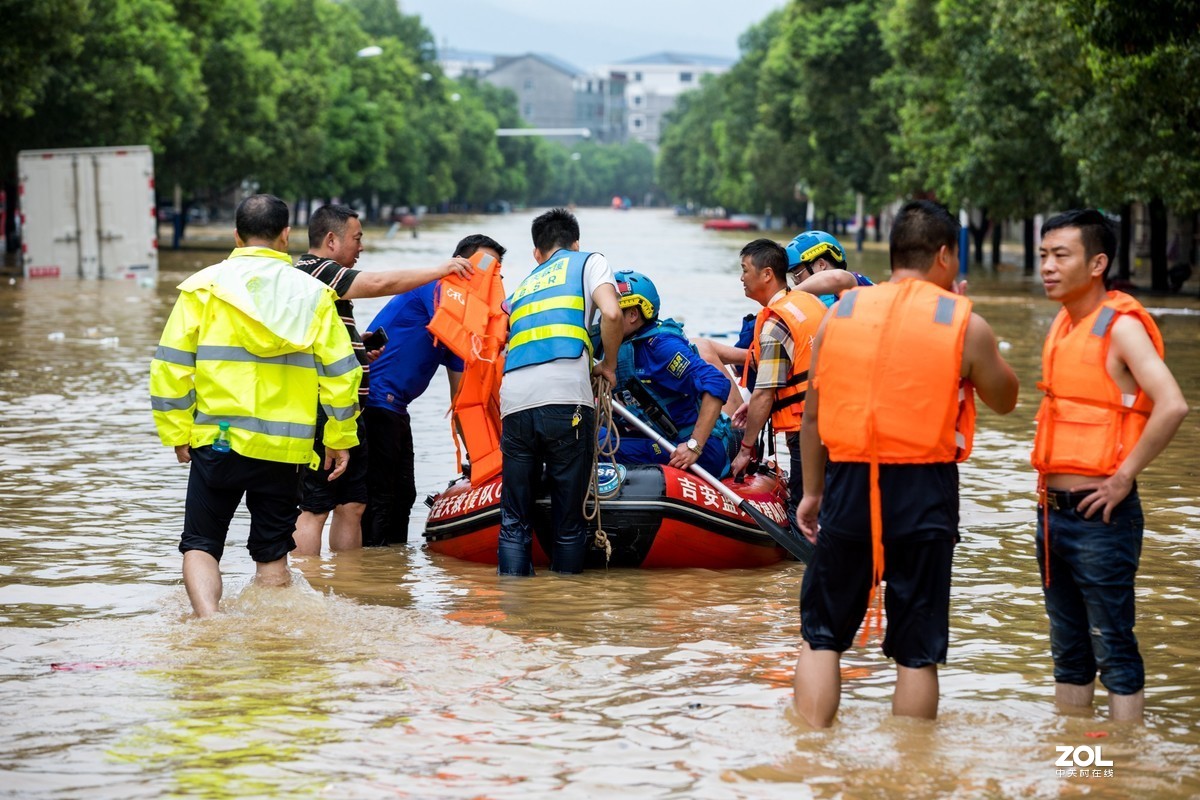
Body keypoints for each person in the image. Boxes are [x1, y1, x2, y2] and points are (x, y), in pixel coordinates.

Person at [792, 199, 1019, 727]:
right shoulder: (962, 321)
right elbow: (1005, 398)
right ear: (944, 256)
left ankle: (809, 752)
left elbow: (812, 418)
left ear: (893, 254)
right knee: (917, 651)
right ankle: (913, 764)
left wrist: (813, 493)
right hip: (926, 489)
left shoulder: (840, 314)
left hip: (850, 481)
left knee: (822, 637)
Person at [149, 194, 362, 618]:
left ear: (236, 235)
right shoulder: (314, 294)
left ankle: (209, 622)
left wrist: (176, 432)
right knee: (272, 555)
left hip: (218, 441)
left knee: (201, 544)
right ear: (285, 235)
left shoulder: (202, 288)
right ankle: (272, 639)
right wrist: (340, 437)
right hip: (284, 450)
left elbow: (170, 368)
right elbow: (342, 373)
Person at [1032, 209, 1188, 723]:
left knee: (1114, 651)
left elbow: (1172, 404)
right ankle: (1075, 759)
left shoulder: (1121, 327)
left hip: (1101, 517)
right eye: (1043, 255)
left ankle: (1124, 760)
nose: (1047, 266)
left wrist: (1123, 478)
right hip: (1051, 514)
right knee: (1068, 654)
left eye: (1061, 255)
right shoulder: (1063, 323)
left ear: (1097, 263)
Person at [291, 204, 473, 555]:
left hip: (348, 412)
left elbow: (321, 338)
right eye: (356, 238)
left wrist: (358, 348)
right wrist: (442, 269)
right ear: (331, 240)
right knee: (315, 506)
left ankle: (348, 583)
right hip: (321, 410)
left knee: (352, 505)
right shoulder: (315, 271)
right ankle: (303, 583)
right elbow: (379, 283)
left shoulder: (328, 283)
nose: (361, 247)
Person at [497, 207, 623, 575]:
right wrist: (608, 365)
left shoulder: (523, 287)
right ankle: (566, 604)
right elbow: (612, 314)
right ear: (575, 243)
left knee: (514, 520)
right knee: (569, 521)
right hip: (565, 399)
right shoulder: (589, 262)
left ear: (537, 253)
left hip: (514, 401)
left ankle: (513, 600)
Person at [361, 233, 506, 546]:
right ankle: (366, 567)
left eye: (495, 271)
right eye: (483, 266)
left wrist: (480, 460)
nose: (488, 277)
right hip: (373, 402)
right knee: (381, 496)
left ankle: (389, 568)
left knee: (404, 495)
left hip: (396, 408)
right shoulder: (437, 288)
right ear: (460, 264)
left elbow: (462, 401)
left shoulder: (458, 331)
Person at [728, 239, 829, 552]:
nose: (742, 278)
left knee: (804, 515)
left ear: (767, 274)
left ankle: (808, 575)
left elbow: (764, 393)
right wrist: (754, 403)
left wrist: (745, 450)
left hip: (808, 430)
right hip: (836, 422)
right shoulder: (809, 303)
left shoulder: (775, 324)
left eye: (745, 270)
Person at [607, 269, 736, 478]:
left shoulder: (660, 347)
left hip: (696, 449)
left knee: (601, 449)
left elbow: (716, 382)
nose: (604, 320)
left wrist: (694, 445)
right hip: (660, 437)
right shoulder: (622, 347)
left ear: (632, 315)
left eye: (610, 313)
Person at [784, 230, 875, 307]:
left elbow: (837, 278)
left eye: (797, 274)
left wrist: (788, 294)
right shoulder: (815, 300)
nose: (796, 281)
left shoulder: (856, 283)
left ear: (821, 265)